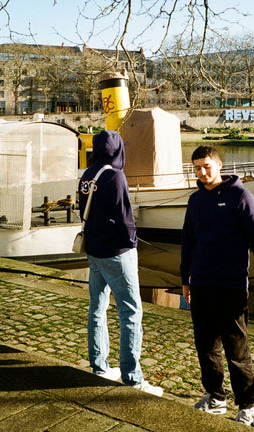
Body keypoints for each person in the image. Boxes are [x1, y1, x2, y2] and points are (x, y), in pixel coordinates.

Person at [180, 145, 254, 426]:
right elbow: (188, 243)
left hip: (231, 286)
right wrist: (185, 279)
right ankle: (216, 398)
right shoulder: (195, 200)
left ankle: (246, 406)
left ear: (219, 165)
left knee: (237, 351)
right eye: (197, 168)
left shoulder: (241, 197)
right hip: (202, 284)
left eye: (207, 166)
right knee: (206, 347)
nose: (202, 172)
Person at [79, 129, 163, 396]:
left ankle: (100, 366)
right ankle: (132, 376)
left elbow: (83, 211)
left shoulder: (87, 175)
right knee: (130, 313)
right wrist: (133, 243)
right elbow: (125, 217)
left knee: (97, 308)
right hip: (117, 252)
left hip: (93, 251)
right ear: (117, 150)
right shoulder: (116, 176)